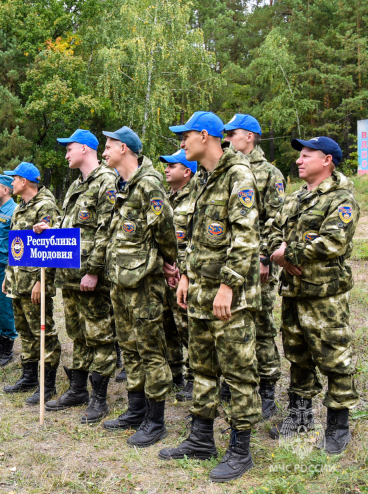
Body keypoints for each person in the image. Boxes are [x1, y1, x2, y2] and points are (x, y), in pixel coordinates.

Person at [161, 111, 261, 483]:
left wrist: (228, 286)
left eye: (184, 136)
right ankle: (201, 438)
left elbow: (246, 237)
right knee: (202, 368)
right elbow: (198, 235)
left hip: (227, 298)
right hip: (200, 293)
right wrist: (186, 274)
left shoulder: (239, 174)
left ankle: (240, 449)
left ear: (205, 136)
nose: (181, 144)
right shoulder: (203, 178)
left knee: (237, 372)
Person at [267, 136, 358, 455]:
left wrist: (288, 253)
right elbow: (273, 230)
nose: (299, 160)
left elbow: (334, 242)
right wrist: (278, 252)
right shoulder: (296, 198)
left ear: (327, 161)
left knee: (334, 358)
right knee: (298, 356)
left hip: (324, 296)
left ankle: (338, 427)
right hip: (293, 292)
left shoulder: (341, 197)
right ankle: (301, 418)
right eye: (299, 155)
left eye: (308, 155)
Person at [34, 129, 119, 424]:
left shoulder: (107, 181)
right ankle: (78, 389)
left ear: (84, 149)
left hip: (89, 276)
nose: (66, 154)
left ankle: (99, 398)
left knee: (99, 334)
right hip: (69, 275)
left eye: (69, 149)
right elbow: (68, 225)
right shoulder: (74, 186)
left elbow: (107, 230)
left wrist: (94, 271)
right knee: (77, 334)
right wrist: (49, 228)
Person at [100, 126, 177, 447]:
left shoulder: (148, 185)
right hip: (120, 281)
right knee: (129, 347)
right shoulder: (123, 185)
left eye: (108, 146)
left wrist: (169, 262)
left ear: (124, 149)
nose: (104, 151)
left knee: (150, 350)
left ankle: (156, 420)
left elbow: (165, 229)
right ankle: (136, 409)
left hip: (145, 283)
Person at [223, 114, 285, 418]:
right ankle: (234, 382)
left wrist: (264, 258)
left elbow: (276, 220)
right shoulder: (227, 170)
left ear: (249, 136)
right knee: (232, 326)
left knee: (261, 326)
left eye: (232, 134)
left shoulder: (269, 173)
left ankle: (268, 389)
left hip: (256, 265)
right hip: (230, 265)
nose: (227, 139)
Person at [2, 162, 61, 405]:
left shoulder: (46, 206)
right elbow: (15, 247)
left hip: (35, 285)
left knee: (43, 332)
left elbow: (51, 247)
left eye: (13, 179)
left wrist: (40, 281)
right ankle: (29, 377)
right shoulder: (19, 209)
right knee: (24, 331)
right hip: (18, 282)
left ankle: (47, 385)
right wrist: (8, 277)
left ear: (24, 181)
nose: (11, 183)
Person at [159, 150, 198, 402]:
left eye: (172, 166)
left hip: (187, 276)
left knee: (190, 328)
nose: (166, 169)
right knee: (168, 325)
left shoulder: (197, 198)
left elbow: (196, 239)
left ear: (187, 171)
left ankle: (196, 377)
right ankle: (175, 372)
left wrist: (181, 269)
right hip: (165, 274)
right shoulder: (166, 199)